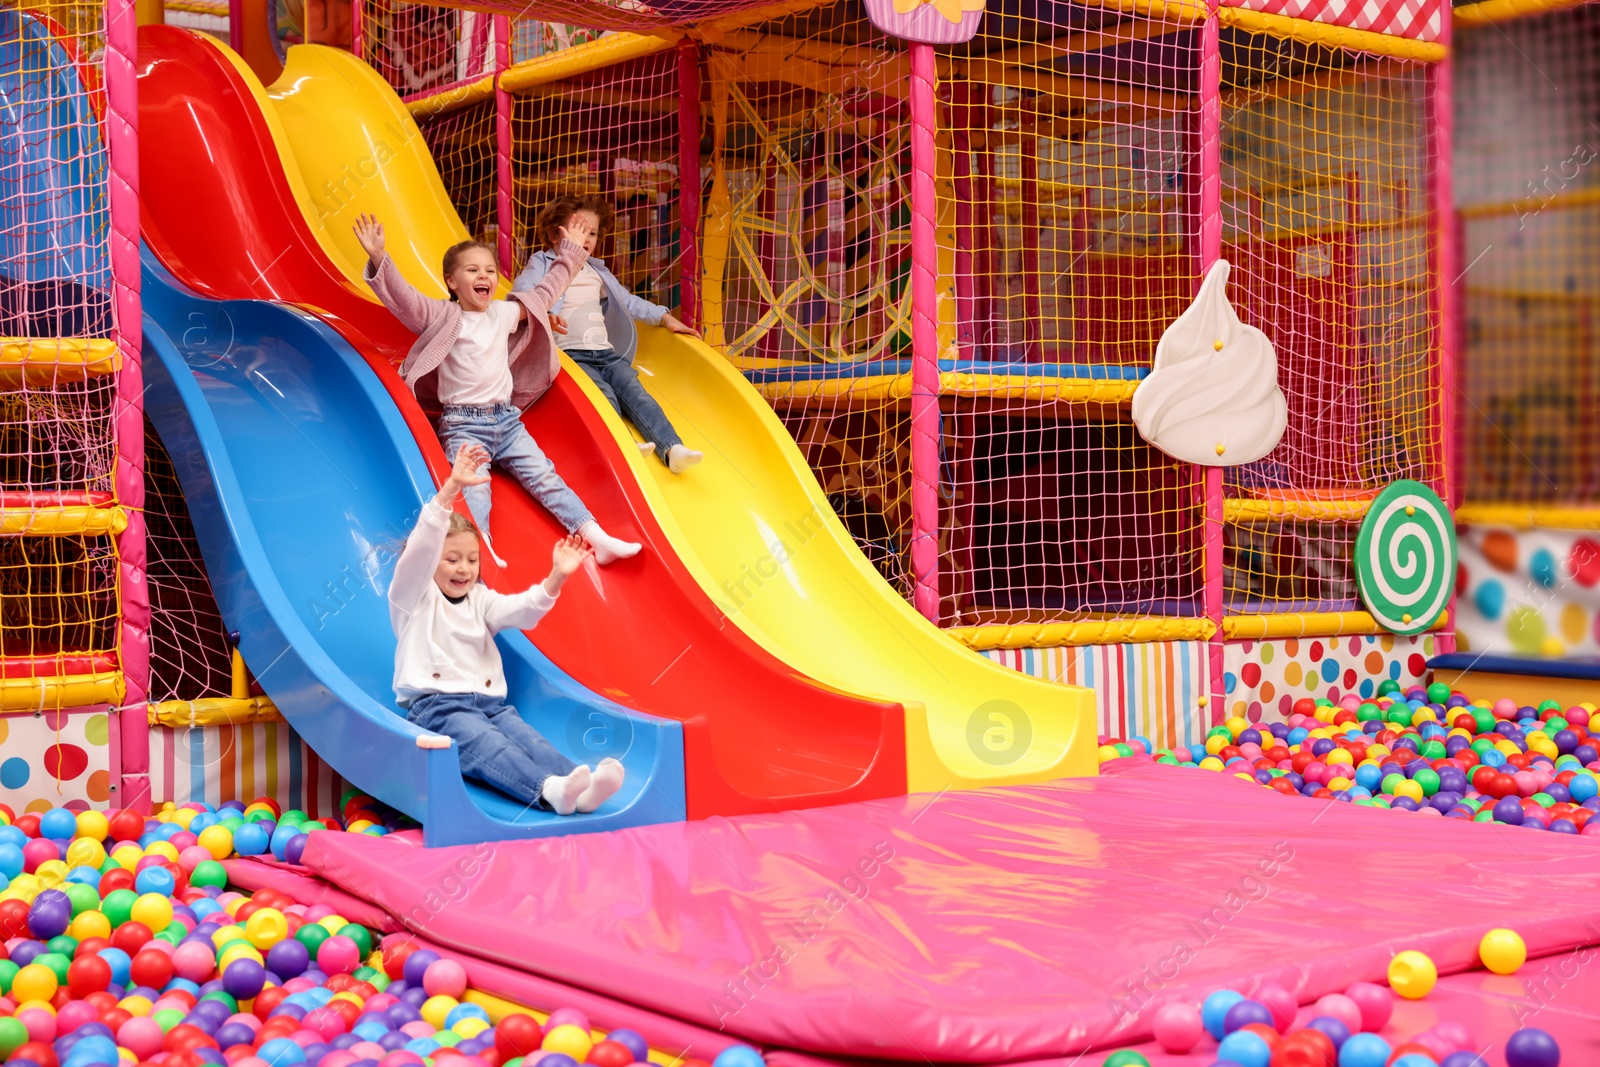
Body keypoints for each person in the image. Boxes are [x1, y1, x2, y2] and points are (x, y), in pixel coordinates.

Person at [354, 211, 640, 567]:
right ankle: (479, 548)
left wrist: (570, 254)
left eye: (489, 270)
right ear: (452, 282)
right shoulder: (443, 315)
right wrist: (380, 258)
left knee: (545, 476)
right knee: (476, 489)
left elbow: (545, 292)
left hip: (507, 422)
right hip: (463, 425)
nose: (484, 276)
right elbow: (406, 299)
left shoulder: (503, 313)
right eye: (472, 270)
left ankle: (596, 538)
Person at [389, 442, 626, 815]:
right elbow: (421, 547)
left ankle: (579, 789)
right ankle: (548, 790)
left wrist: (555, 579)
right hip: (437, 709)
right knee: (490, 747)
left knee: (529, 741)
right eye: (451, 560)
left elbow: (522, 610)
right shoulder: (413, 597)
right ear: (431, 562)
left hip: (491, 706)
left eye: (471, 559)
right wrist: (450, 490)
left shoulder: (480, 600)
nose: (464, 568)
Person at [513, 195, 703, 474]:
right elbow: (526, 291)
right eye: (579, 232)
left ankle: (672, 448)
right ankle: (624, 446)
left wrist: (664, 316)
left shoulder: (596, 271)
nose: (587, 239)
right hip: (570, 357)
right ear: (555, 234)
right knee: (603, 396)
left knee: (637, 394)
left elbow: (627, 301)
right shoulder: (543, 263)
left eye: (592, 233)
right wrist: (545, 314)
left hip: (605, 352)